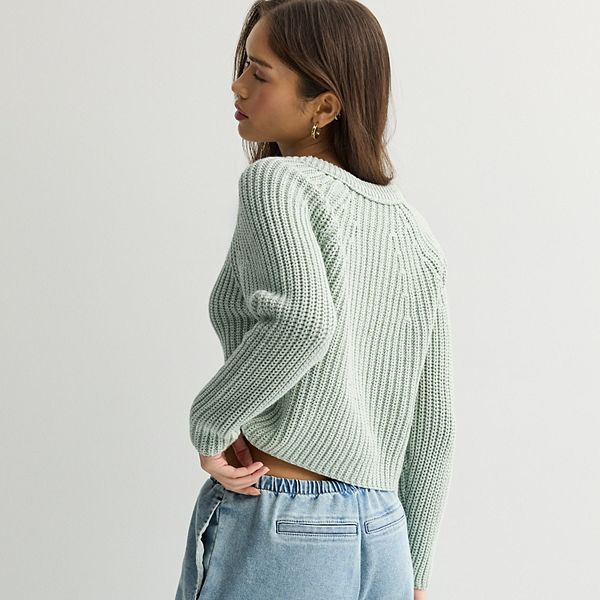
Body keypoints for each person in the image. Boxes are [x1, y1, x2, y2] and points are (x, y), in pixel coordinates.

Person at [175, 1, 456, 599]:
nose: (237, 85)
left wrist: (209, 425)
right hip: (386, 536)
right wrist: (417, 574)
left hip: (286, 523)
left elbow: (301, 322)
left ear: (324, 107)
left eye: (259, 73)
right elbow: (433, 426)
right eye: (243, 66)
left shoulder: (278, 182)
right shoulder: (413, 230)